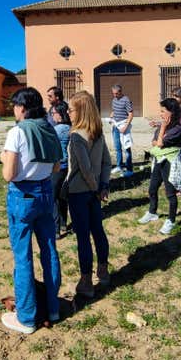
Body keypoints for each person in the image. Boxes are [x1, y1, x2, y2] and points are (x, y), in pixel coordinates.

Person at [0, 87, 63, 334]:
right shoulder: (49, 128)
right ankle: (53, 307)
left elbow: (9, 175)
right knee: (49, 251)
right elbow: (57, 166)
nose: (13, 109)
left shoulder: (17, 132)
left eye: (15, 105)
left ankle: (26, 317)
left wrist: (4, 157)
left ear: (23, 107)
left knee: (23, 257)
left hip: (22, 197)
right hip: (46, 193)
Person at [66, 91, 111, 298]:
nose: (68, 112)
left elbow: (84, 168)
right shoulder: (98, 133)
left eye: (71, 109)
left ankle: (86, 281)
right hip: (95, 192)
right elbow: (106, 162)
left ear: (81, 111)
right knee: (98, 231)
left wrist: (95, 188)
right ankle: (103, 269)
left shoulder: (76, 136)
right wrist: (104, 185)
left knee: (83, 237)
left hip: (79, 192)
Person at [139, 98, 181, 234]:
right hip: (159, 161)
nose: (160, 114)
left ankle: (171, 220)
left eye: (163, 111)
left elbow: (159, 143)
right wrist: (161, 134)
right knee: (152, 189)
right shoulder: (161, 126)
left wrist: (163, 129)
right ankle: (152, 212)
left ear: (172, 112)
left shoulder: (177, 129)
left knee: (170, 194)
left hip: (170, 163)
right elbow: (154, 141)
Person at [50, 102, 71, 236]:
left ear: (60, 114)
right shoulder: (71, 128)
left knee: (53, 198)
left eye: (53, 113)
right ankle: (64, 223)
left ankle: (55, 229)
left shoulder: (56, 130)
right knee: (63, 196)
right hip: (68, 166)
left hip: (57, 167)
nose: (52, 116)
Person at [110, 84, 134, 177]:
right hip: (115, 126)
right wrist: (111, 116)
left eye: (116, 93)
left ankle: (129, 169)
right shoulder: (114, 100)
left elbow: (131, 114)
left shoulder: (126, 100)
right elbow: (114, 110)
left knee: (127, 148)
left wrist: (125, 127)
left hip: (124, 126)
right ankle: (119, 166)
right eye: (113, 93)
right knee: (117, 147)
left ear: (120, 91)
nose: (115, 95)